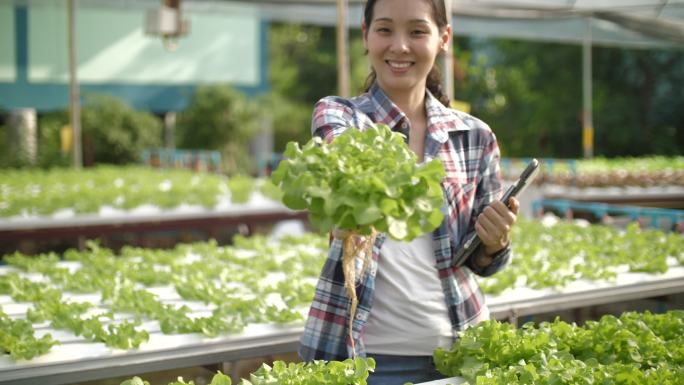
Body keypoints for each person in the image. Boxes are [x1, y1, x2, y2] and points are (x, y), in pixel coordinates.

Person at [298, 0, 519, 383]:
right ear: (365, 35)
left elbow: (483, 263)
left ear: (443, 38)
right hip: (361, 360)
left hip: (461, 350)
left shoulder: (475, 136)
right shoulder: (340, 116)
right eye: (385, 30)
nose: (400, 46)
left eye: (417, 31)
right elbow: (340, 165)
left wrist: (495, 242)